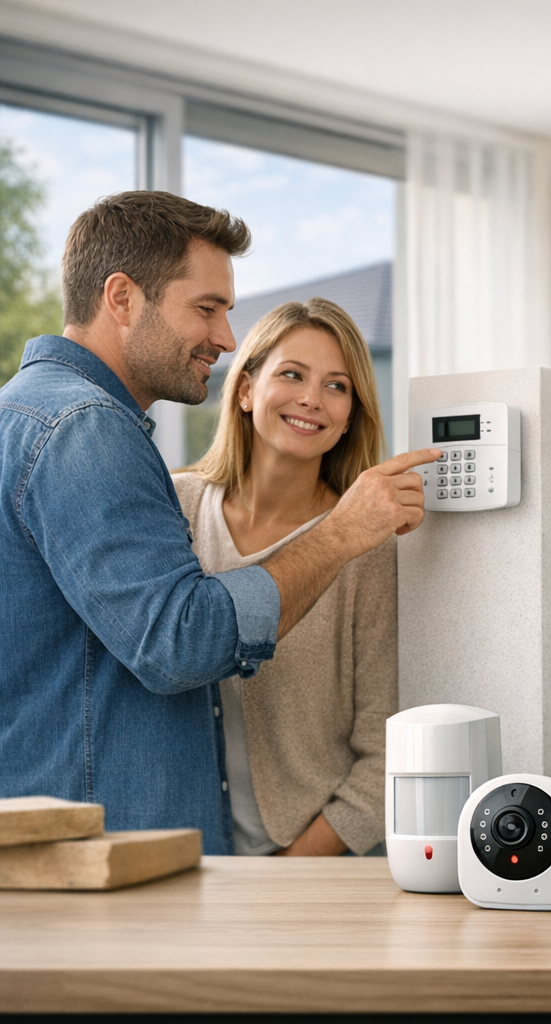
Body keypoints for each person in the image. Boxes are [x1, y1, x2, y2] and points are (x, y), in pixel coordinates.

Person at [0, 191, 438, 854]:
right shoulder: (87, 429)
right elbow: (183, 641)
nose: (224, 339)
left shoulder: (26, 414)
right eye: (205, 309)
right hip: (101, 859)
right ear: (121, 299)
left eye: (338, 385)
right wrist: (342, 534)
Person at [173, 298, 393, 857]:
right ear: (246, 390)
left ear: (350, 417)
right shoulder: (174, 505)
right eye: (292, 374)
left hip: (306, 865)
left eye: (337, 386)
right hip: (176, 851)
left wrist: (288, 875)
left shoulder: (367, 549)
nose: (311, 399)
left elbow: (386, 756)